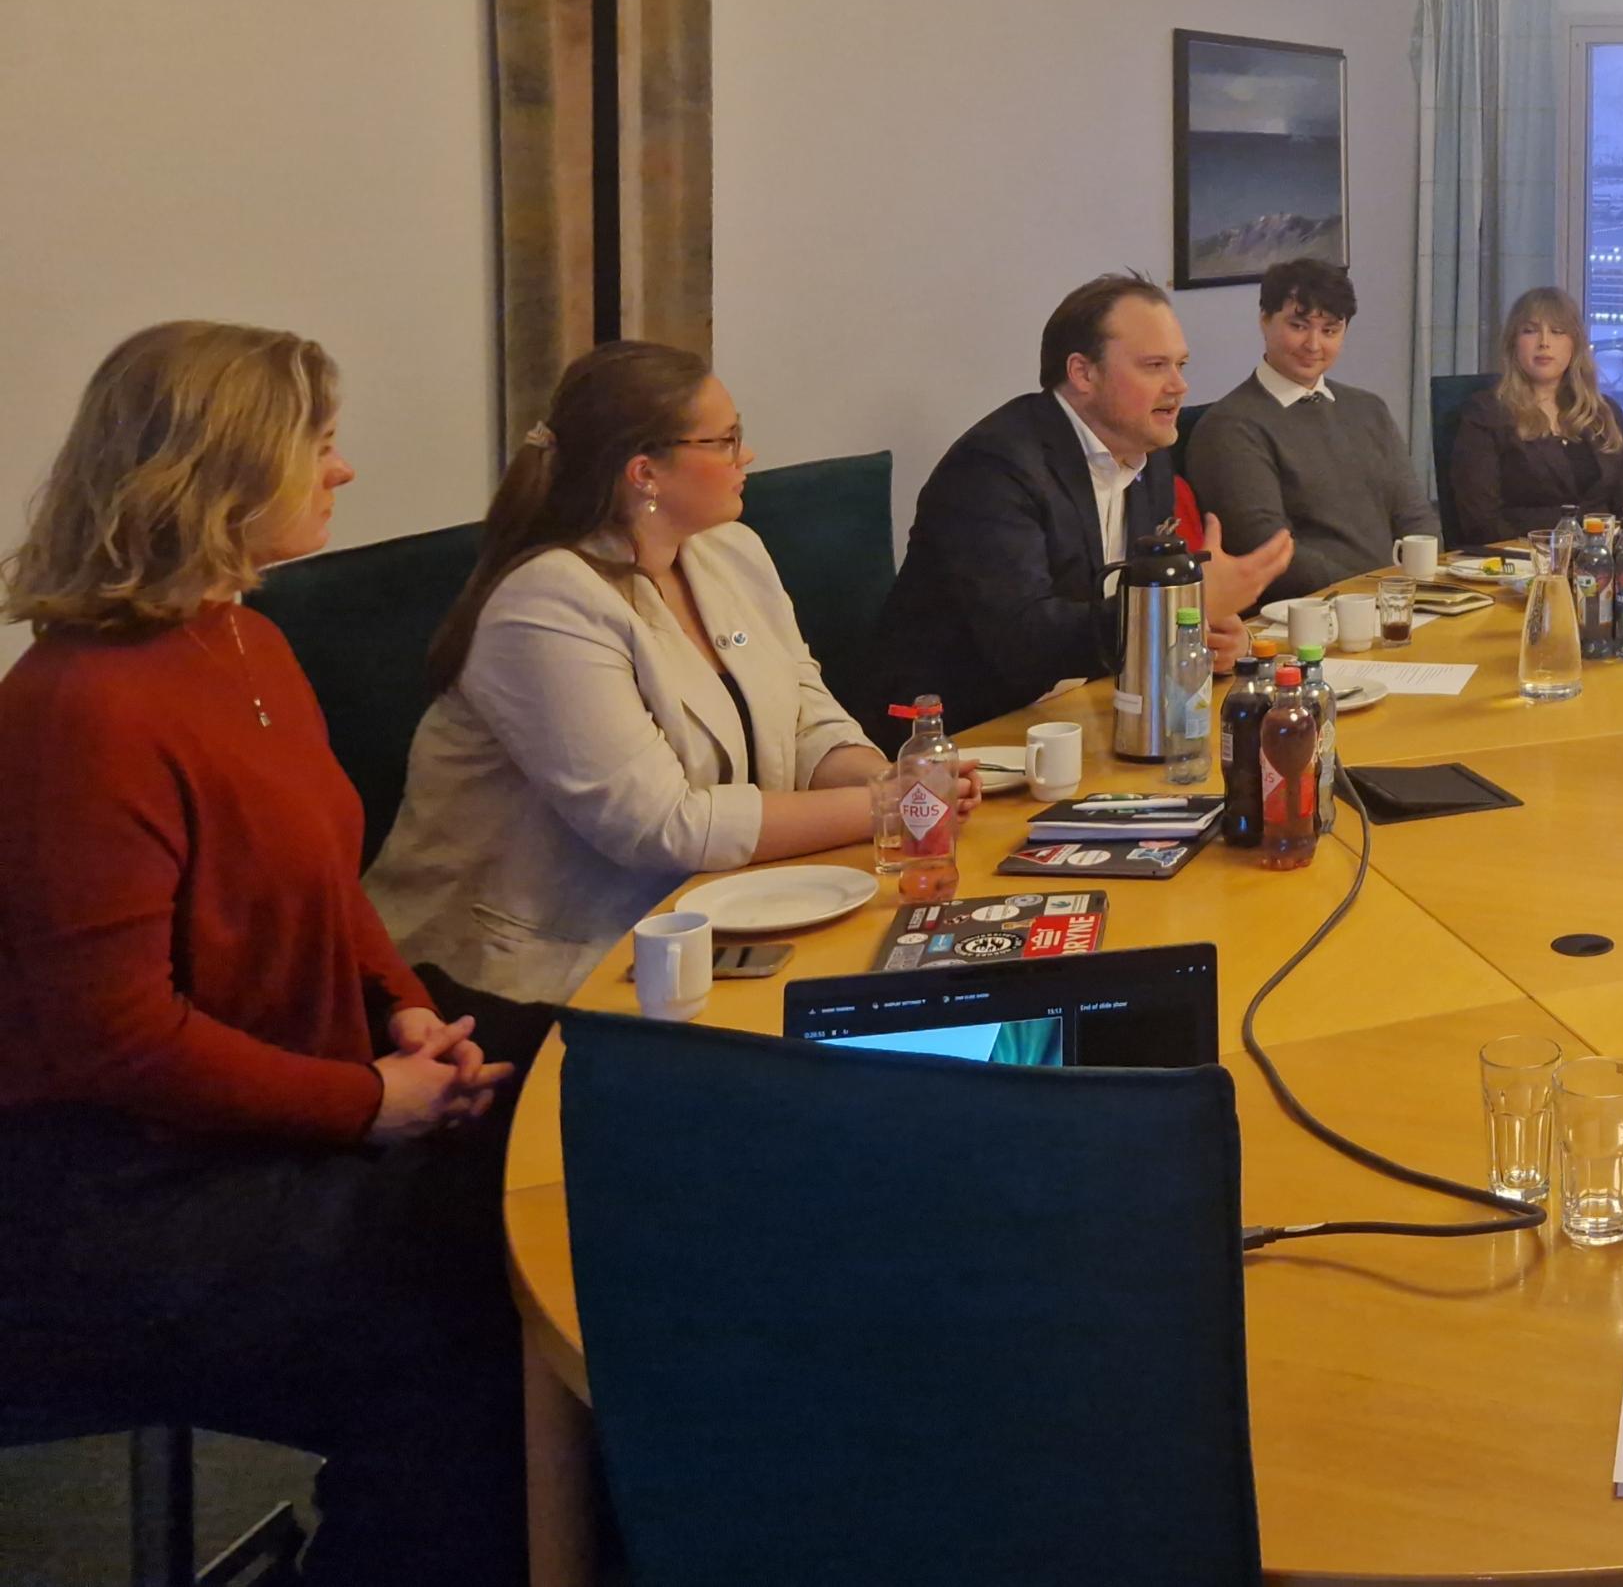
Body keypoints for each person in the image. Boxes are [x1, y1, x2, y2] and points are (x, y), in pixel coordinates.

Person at [0, 324, 526, 1587]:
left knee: (576, 1116)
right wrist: (363, 1105)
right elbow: (118, 1040)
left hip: (265, 1109)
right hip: (119, 1191)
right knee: (477, 1327)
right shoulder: (78, 709)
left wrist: (405, 1018)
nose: (341, 472)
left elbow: (328, 888)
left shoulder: (249, 643)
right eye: (320, 445)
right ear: (219, 474)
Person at [368, 342, 893, 1007]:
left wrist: (891, 780)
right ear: (645, 472)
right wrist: (883, 810)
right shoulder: (548, 603)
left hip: (705, 923)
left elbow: (802, 709)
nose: (747, 456)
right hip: (529, 972)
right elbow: (659, 827)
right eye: (727, 440)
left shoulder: (731, 551)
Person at [872, 272, 1291, 728]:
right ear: (1082, 373)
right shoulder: (995, 467)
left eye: (1181, 365)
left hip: (1083, 710)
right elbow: (1025, 643)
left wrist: (1203, 637)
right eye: (1154, 366)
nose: (1179, 386)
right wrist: (1174, 608)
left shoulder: (1148, 456)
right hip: (961, 732)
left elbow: (1123, 615)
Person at [1184, 256, 1438, 596]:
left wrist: (1419, 583)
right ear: (1264, 320)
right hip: (1309, 615)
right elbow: (1269, 550)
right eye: (1298, 326)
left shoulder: (1368, 409)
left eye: (1330, 330)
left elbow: (1416, 516)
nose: (1314, 345)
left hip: (1397, 603)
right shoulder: (1230, 427)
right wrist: (1372, 593)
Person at [1448, 286, 1623, 543]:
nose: (1544, 342)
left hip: (1601, 562)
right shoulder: (1486, 414)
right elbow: (1480, 522)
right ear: (1513, 343)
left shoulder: (1604, 414)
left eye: (1557, 332)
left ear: (1575, 344)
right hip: (1521, 563)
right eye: (1530, 331)